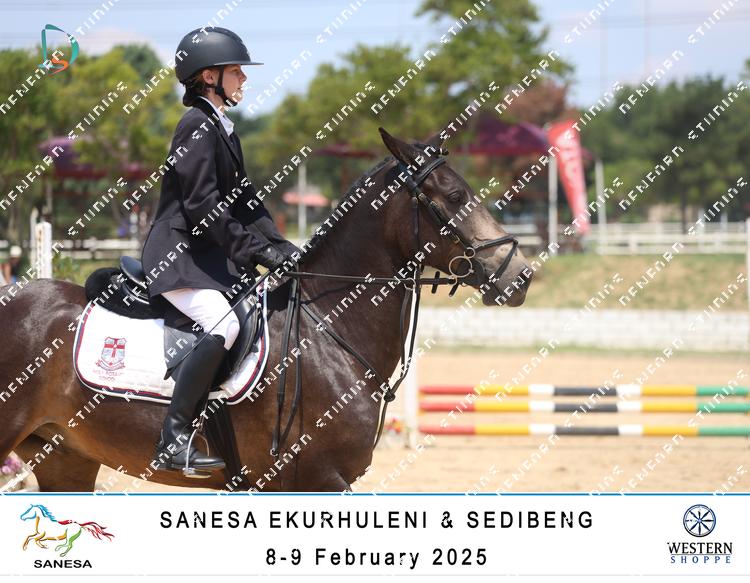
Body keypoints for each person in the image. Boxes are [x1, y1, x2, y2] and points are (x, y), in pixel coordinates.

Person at [141, 27, 300, 476]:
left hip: (207, 258)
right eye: (236, 71)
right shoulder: (195, 125)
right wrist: (255, 253)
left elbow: (247, 205)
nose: (243, 79)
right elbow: (203, 207)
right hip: (179, 257)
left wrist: (283, 248)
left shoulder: (223, 130)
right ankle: (173, 439)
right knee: (222, 323)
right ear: (209, 76)